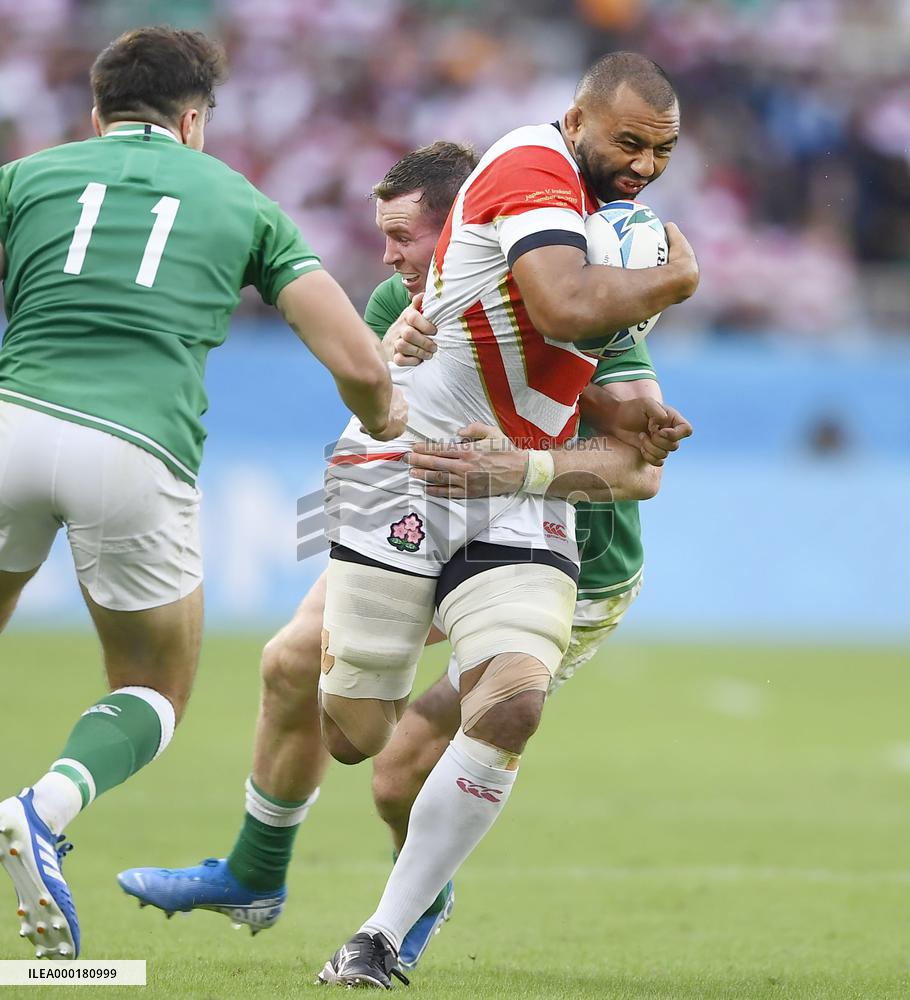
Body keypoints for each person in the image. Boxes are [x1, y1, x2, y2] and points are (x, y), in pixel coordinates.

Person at [116, 138, 690, 971]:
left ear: (467, 230)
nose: (390, 259)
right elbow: (379, 429)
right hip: (431, 513)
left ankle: (403, 912)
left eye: (406, 239)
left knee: (398, 776)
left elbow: (638, 475)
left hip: (566, 549)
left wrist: (540, 448)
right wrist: (385, 366)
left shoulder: (573, 303)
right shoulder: (399, 297)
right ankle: (253, 873)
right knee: (288, 662)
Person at [0, 26, 402, 961]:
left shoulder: (25, 178)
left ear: (96, 114)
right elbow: (358, 362)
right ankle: (43, 808)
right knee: (151, 686)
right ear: (193, 122)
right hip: (134, 449)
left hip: (10, 420)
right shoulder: (241, 201)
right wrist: (384, 423)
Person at [311, 51, 698, 988]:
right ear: (576, 122)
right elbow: (565, 307)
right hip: (402, 474)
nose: (646, 165)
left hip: (516, 497)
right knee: (357, 734)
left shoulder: (611, 244)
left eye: (664, 151)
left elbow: (626, 441)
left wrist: (623, 418)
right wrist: (680, 280)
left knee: (512, 700)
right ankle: (291, 845)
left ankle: (380, 937)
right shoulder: (533, 169)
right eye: (630, 142)